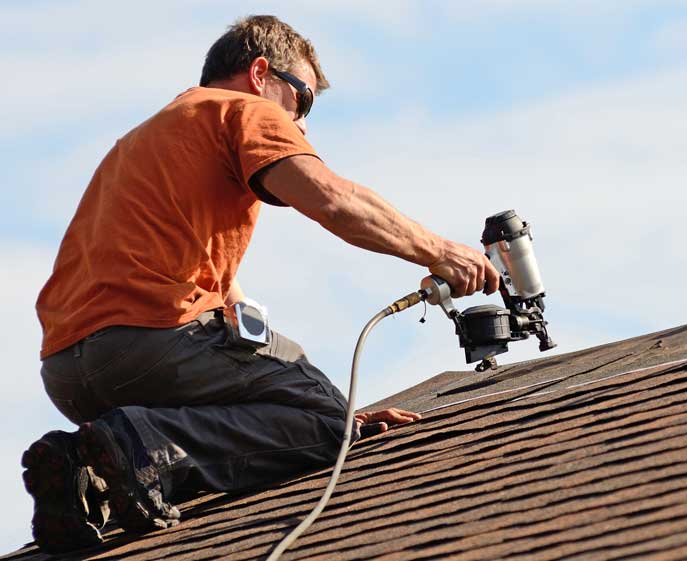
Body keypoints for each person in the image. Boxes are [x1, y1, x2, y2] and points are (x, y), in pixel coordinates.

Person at [23, 15, 500, 553]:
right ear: (259, 73)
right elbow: (333, 200)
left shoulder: (144, 140)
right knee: (328, 426)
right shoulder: (243, 111)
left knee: (300, 397)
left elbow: (225, 305)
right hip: (151, 342)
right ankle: (143, 444)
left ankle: (87, 476)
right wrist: (441, 252)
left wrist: (312, 399)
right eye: (302, 101)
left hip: (67, 371)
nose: (301, 124)